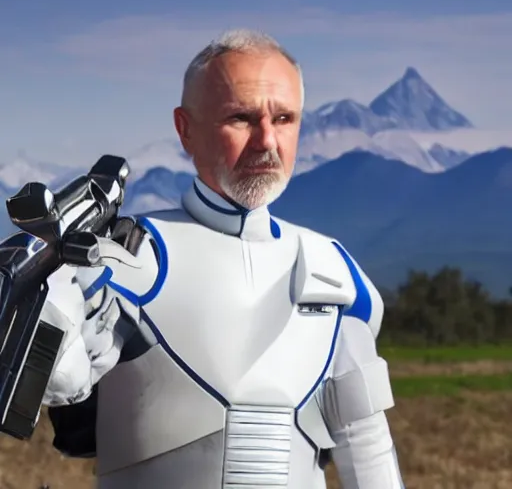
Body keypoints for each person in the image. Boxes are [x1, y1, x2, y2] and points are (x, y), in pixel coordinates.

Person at [40, 29, 405, 489]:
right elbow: (62, 380)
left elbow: (367, 447)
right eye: (241, 118)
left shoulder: (333, 271)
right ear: (185, 129)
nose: (267, 140)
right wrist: (51, 306)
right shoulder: (128, 259)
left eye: (285, 118)